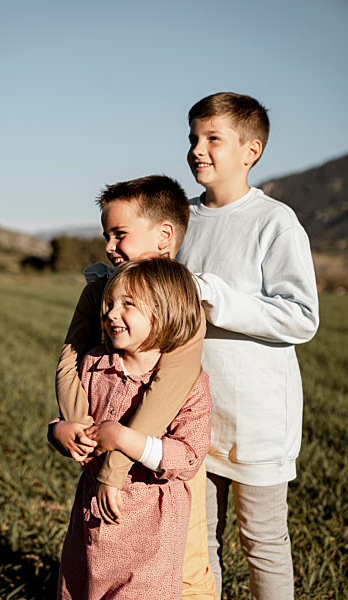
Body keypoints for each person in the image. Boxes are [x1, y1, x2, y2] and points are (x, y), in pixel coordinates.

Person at [176, 92, 319, 599]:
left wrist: (215, 295)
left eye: (213, 138)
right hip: (190, 415)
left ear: (250, 151)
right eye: (193, 137)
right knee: (197, 543)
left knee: (262, 541)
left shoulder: (274, 222)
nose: (198, 149)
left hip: (256, 418)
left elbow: (302, 318)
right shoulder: (180, 220)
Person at [51, 175, 218, 598]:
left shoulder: (182, 303)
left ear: (164, 237)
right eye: (107, 234)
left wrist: (113, 465)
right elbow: (72, 360)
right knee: (91, 567)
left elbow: (168, 391)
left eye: (119, 234)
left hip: (158, 477)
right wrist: (79, 429)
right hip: (103, 466)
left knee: (186, 569)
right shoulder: (101, 291)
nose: (109, 246)